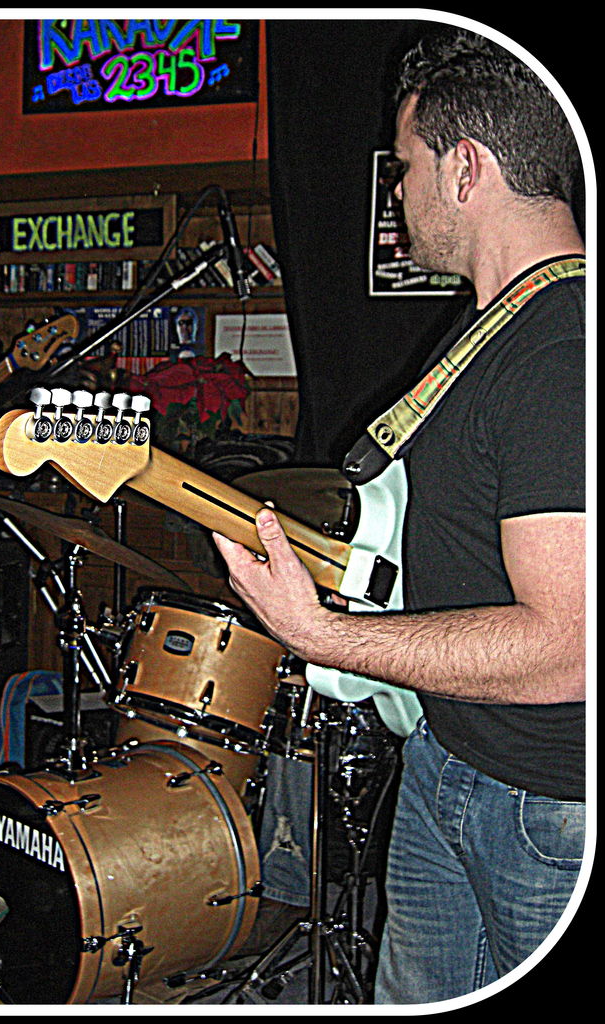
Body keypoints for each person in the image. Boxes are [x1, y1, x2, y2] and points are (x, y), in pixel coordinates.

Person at [213, 30, 586, 1003]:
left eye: (405, 166)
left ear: (465, 168)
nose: (396, 192)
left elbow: (569, 647)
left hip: (545, 810)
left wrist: (322, 636)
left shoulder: (560, 353)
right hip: (449, 756)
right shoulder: (491, 330)